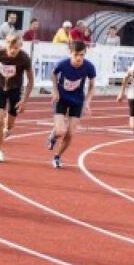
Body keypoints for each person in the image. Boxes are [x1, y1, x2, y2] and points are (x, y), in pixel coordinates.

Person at [0, 33, 34, 163]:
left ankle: (8, 129)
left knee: (9, 125)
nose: (14, 50)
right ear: (7, 45)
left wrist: (24, 100)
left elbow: (31, 80)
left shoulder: (24, 58)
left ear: (20, 46)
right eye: (11, 47)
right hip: (1, 89)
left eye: (17, 47)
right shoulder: (0, 53)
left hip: (15, 90)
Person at [47, 40, 97, 169]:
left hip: (77, 100)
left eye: (82, 55)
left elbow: (92, 86)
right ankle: (53, 135)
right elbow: (53, 74)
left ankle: (57, 157)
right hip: (62, 99)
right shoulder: (63, 64)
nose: (79, 58)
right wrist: (55, 91)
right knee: (60, 131)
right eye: (76, 55)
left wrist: (87, 102)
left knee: (70, 133)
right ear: (70, 53)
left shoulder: (89, 67)